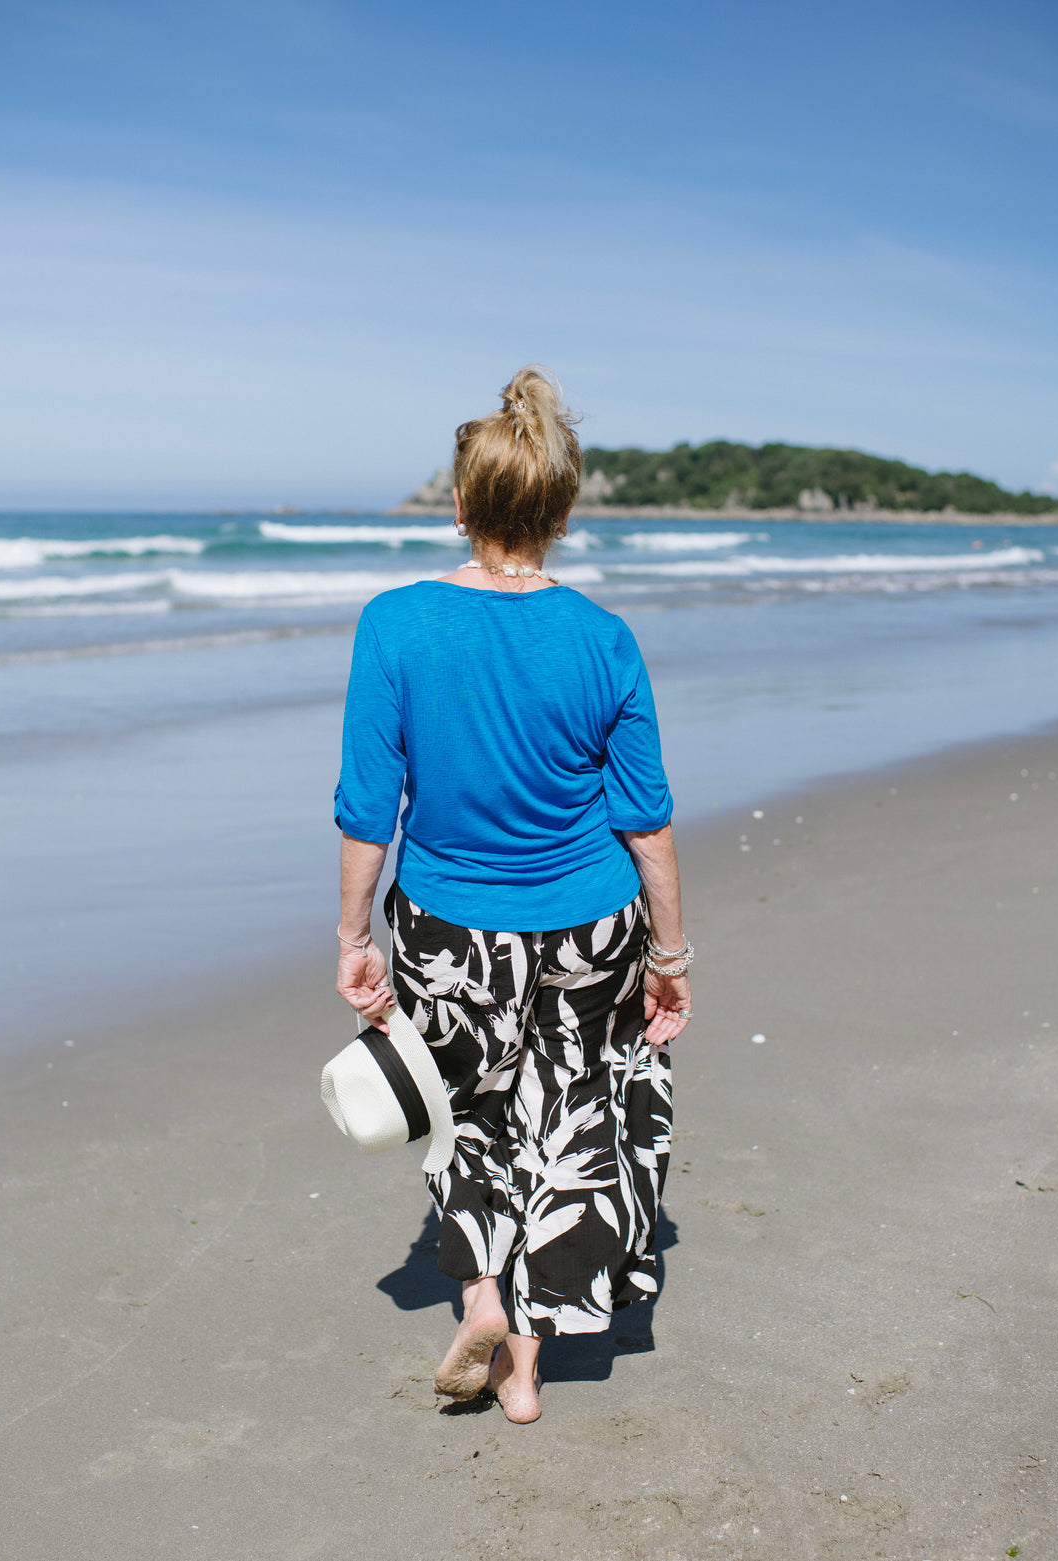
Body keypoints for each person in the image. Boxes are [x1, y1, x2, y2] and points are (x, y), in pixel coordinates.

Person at [334, 367, 692, 1424]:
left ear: (459, 504)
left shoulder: (393, 625)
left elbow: (369, 807)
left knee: (468, 1112)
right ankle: (527, 1362)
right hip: (590, 920)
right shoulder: (601, 637)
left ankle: (481, 1295)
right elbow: (647, 821)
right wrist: (669, 957)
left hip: (449, 924)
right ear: (561, 512)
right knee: (573, 1116)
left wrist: (353, 933)